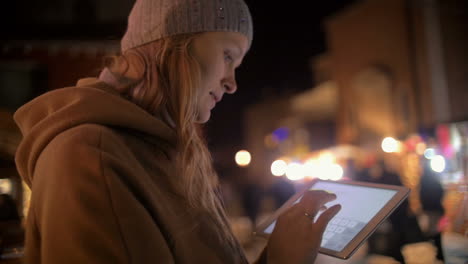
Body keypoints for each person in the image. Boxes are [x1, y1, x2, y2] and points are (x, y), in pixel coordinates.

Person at [13, 0, 341, 263]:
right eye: (228, 56)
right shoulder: (90, 154)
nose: (232, 83)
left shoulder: (156, 151)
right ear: (172, 45)